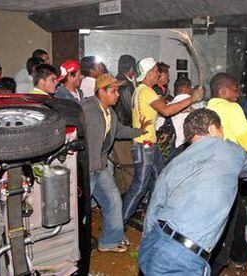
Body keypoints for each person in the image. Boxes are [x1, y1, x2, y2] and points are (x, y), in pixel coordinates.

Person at [139, 108, 247, 275]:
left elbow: (152, 212)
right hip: (184, 259)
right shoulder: (230, 149)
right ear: (213, 128)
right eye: (222, 130)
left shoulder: (173, 165)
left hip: (153, 246)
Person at [121, 57, 203, 245]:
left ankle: (153, 222)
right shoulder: (147, 92)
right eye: (156, 71)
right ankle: (119, 229)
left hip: (151, 145)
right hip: (144, 146)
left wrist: (183, 110)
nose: (159, 74)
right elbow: (165, 111)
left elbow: (159, 113)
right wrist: (193, 98)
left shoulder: (140, 91)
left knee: (158, 182)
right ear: (149, 72)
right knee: (139, 188)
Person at [207, 72, 247, 274]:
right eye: (235, 90)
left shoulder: (209, 106)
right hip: (226, 173)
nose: (238, 95)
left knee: (237, 214)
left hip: (210, 170)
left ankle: (239, 254)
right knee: (232, 220)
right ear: (224, 90)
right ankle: (220, 262)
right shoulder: (232, 107)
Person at [81, 73, 149, 253]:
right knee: (81, 210)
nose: (117, 95)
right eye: (113, 91)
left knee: (113, 201)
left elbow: (119, 131)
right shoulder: (87, 109)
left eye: (117, 91)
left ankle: (108, 242)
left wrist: (139, 131)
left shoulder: (109, 113)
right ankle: (77, 247)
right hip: (86, 169)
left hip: (99, 167)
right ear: (101, 92)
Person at [111, 55, 137, 193]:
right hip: (125, 130)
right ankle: (131, 202)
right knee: (128, 167)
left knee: (120, 168)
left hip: (117, 130)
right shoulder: (126, 85)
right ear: (132, 68)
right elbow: (130, 109)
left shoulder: (117, 80)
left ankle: (123, 199)